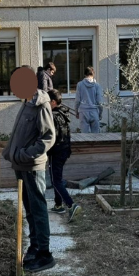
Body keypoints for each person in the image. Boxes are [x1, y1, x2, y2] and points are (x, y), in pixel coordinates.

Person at [1, 65, 56, 272]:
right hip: (20, 166)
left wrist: (23, 154)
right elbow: (20, 133)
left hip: (32, 166)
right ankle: (35, 246)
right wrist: (9, 152)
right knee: (30, 210)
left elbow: (48, 138)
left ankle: (45, 254)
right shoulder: (27, 103)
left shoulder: (41, 105)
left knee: (38, 209)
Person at [48, 89, 79, 221]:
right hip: (64, 150)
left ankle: (71, 205)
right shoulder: (63, 112)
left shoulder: (54, 116)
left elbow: (51, 137)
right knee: (56, 177)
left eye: (47, 102)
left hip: (57, 151)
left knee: (56, 180)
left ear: (53, 102)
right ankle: (58, 204)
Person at [75, 66, 103, 133]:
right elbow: (99, 102)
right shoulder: (97, 86)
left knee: (84, 137)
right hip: (94, 111)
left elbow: (77, 100)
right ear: (93, 74)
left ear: (85, 75)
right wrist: (100, 113)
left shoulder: (80, 85)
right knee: (96, 136)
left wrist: (76, 112)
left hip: (83, 111)